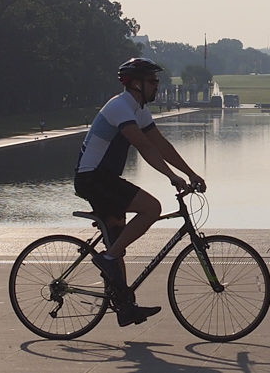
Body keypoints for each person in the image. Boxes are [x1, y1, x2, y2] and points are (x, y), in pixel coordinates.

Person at [75, 57, 206, 327]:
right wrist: (172, 177)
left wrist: (190, 173)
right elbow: (145, 147)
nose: (157, 86)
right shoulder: (120, 107)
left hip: (105, 179)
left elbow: (161, 144)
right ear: (136, 84)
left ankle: (125, 307)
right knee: (152, 208)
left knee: (117, 240)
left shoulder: (138, 109)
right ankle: (108, 259)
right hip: (93, 179)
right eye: (152, 81)